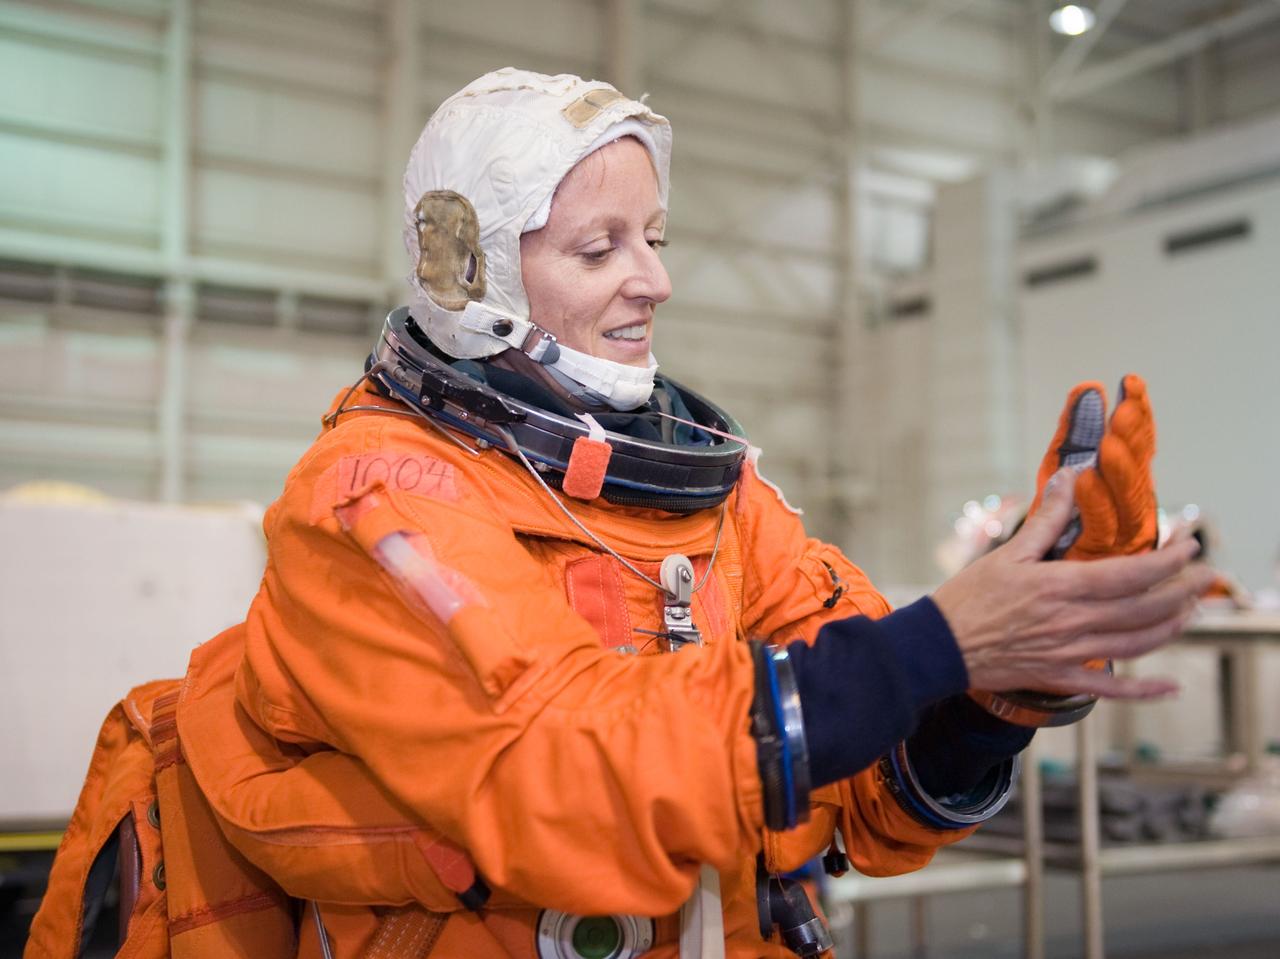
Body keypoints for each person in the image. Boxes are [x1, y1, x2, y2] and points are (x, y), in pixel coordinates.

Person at [27, 69, 1212, 959]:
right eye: (599, 248)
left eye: (652, 237)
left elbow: (867, 795)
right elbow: (558, 773)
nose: (653, 278)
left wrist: (1009, 665)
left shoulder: (723, 501)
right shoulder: (378, 500)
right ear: (468, 272)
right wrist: (938, 637)